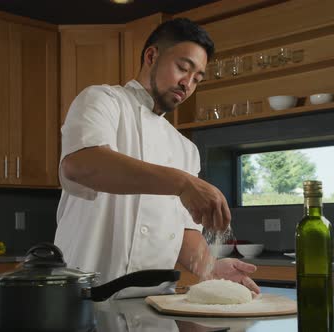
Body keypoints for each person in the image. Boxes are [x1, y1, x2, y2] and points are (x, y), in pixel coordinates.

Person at [54, 18, 260, 298]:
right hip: (85, 300)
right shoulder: (102, 100)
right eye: (183, 68)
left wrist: (211, 268)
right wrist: (182, 183)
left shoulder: (185, 149)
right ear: (152, 56)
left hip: (155, 305)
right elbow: (81, 164)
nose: (187, 84)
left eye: (197, 79)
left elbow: (185, 231)